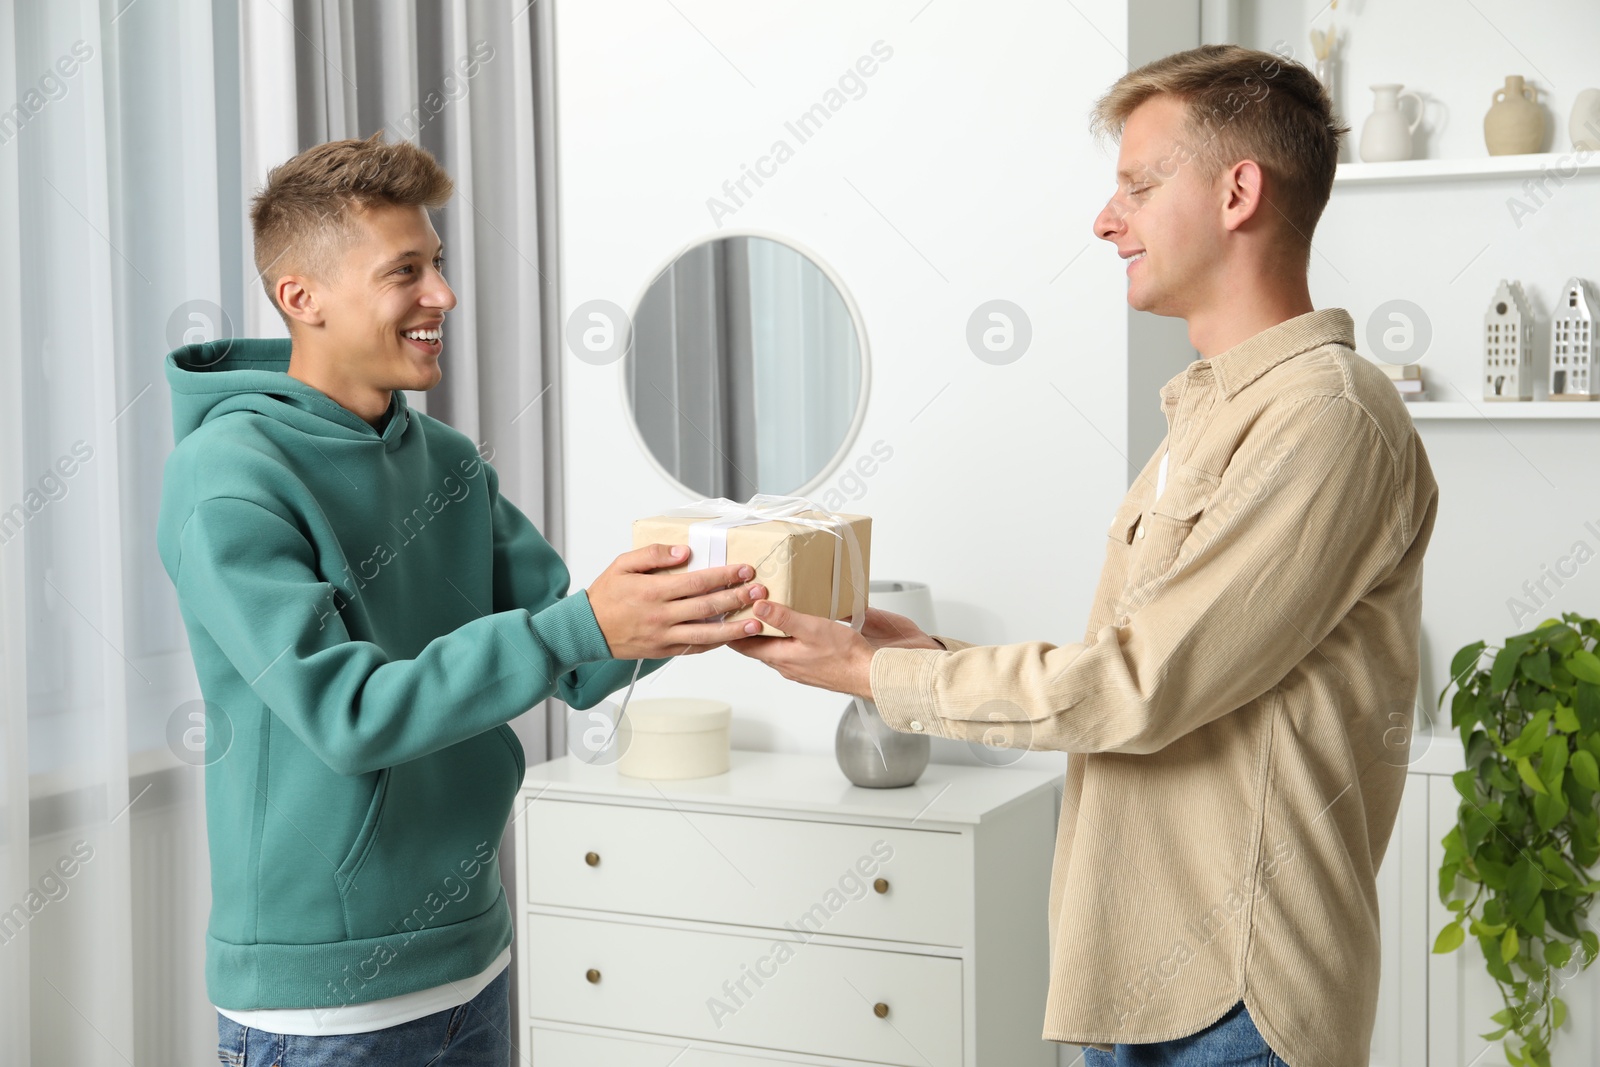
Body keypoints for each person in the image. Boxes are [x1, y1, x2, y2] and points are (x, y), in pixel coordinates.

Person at [734, 45, 1438, 1067]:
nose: (1106, 221)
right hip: (1142, 978)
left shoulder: (1324, 417)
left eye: (1138, 188)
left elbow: (1142, 682)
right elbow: (1146, 662)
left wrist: (876, 673)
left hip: (1239, 998)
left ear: (1239, 191)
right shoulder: (1215, 409)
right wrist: (922, 648)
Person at [156, 133, 768, 1065]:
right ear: (301, 299)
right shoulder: (227, 477)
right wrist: (582, 623)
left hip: (473, 956)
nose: (442, 295)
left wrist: (721, 597)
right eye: (407, 271)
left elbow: (578, 649)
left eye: (436, 265)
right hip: (326, 1003)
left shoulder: (443, 460)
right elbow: (348, 712)